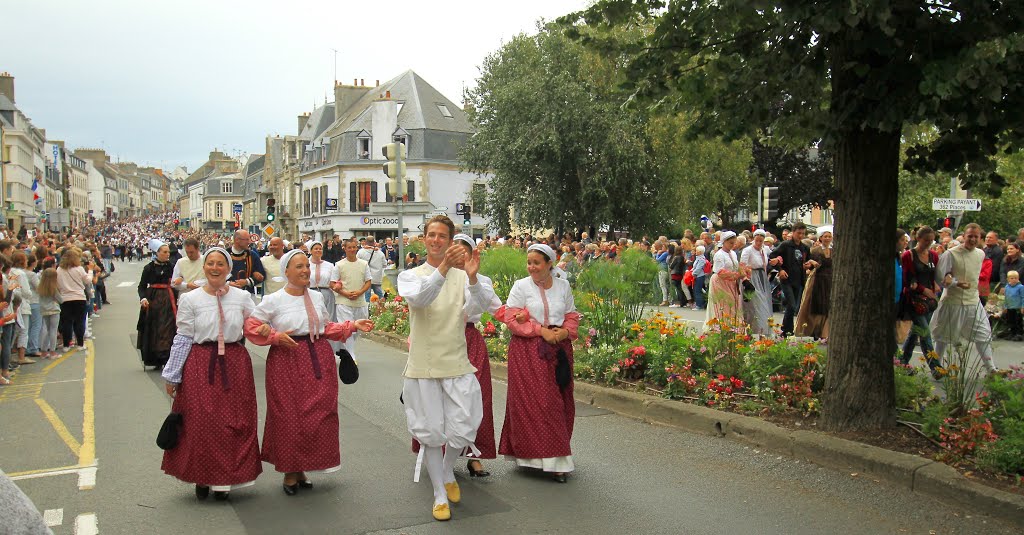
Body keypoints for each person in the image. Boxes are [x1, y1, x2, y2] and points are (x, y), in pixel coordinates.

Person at [243, 249, 372, 495]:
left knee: (318, 414)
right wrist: (275, 336)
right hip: (286, 359)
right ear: (286, 272)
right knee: (288, 415)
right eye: (299, 266)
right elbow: (251, 326)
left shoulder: (316, 297)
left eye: (306, 266)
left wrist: (351, 325)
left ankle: (302, 466)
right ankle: (291, 471)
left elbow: (325, 327)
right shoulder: (274, 300)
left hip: (318, 358)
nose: (305, 270)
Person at [397, 215, 489, 522]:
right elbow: (422, 298)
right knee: (431, 433)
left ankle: (448, 470)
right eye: (431, 235)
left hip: (456, 363)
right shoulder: (410, 275)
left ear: (450, 241)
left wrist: (473, 279)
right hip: (423, 366)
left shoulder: (465, 276)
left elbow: (479, 309)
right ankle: (439, 492)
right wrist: (446, 267)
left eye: (442, 236)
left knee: (463, 429)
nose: (436, 240)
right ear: (424, 239)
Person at [161, 248, 262, 501]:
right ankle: (203, 476)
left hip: (235, 363)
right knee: (200, 423)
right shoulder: (190, 299)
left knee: (233, 423)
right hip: (200, 363)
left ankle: (225, 479)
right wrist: (173, 375)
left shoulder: (241, 297)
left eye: (220, 264)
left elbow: (255, 325)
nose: (215, 268)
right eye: (210, 263)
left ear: (228, 269)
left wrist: (270, 330)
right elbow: (183, 337)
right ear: (204, 267)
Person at [498, 243, 580, 484]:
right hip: (528, 349)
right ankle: (546, 460)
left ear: (549, 264)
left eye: (537, 263)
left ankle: (554, 458)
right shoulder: (521, 286)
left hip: (559, 348)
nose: (531, 267)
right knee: (538, 402)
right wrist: (539, 330)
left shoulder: (563, 286)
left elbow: (571, 315)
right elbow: (511, 318)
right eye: (529, 262)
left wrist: (564, 333)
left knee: (560, 400)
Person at [929, 223, 997, 374]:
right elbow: (940, 277)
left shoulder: (980, 254)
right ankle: (936, 367)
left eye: (976, 237)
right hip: (953, 301)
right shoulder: (951, 253)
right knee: (943, 336)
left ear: (980, 238)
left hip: (973, 301)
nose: (972, 239)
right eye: (970, 236)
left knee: (983, 334)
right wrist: (955, 283)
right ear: (964, 236)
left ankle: (992, 369)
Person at [899, 227, 941, 372]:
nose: (928, 243)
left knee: (916, 331)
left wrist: (935, 288)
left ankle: (902, 360)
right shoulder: (908, 256)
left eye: (931, 241)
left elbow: (935, 275)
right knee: (925, 333)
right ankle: (935, 367)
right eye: (926, 240)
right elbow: (906, 279)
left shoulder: (933, 256)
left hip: (929, 300)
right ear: (918, 238)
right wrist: (922, 289)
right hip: (914, 299)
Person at [138, 244, 178, 369]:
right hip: (153, 299)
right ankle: (155, 359)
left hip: (168, 299)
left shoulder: (172, 267)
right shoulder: (148, 268)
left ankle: (167, 358)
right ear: (157, 253)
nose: (167, 254)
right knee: (154, 327)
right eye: (165, 252)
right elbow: (142, 286)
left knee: (168, 328)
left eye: (168, 252)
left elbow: (177, 281)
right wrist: (143, 298)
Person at [331, 239, 371, 361]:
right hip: (344, 302)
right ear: (345, 248)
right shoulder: (339, 265)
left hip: (360, 302)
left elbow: (368, 281)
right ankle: (351, 357)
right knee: (347, 328)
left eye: (354, 247)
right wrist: (345, 293)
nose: (352, 250)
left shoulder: (364, 264)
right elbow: (332, 283)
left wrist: (359, 292)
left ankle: (346, 348)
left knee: (357, 330)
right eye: (350, 247)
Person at [769, 223, 813, 336]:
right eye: (798, 233)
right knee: (792, 305)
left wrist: (808, 265)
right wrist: (780, 269)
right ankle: (787, 330)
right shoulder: (785, 245)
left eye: (803, 233)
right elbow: (772, 257)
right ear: (793, 233)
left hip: (799, 279)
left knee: (792, 306)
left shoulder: (805, 248)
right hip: (787, 279)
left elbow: (808, 262)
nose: (800, 236)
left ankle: (786, 330)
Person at [795, 229, 831, 339]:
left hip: (830, 279)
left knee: (828, 305)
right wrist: (810, 264)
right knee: (817, 303)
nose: (827, 238)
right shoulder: (814, 251)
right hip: (817, 279)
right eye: (825, 236)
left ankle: (825, 332)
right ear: (820, 238)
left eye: (829, 236)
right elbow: (807, 265)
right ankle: (815, 330)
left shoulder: (834, 251)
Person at [705, 232, 745, 330]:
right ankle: (721, 328)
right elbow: (720, 272)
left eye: (733, 243)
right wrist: (736, 275)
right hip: (720, 282)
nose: (732, 245)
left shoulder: (733, 253)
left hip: (731, 282)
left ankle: (732, 328)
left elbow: (736, 266)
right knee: (723, 305)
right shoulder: (719, 254)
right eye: (730, 243)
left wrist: (742, 272)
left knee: (733, 305)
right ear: (724, 242)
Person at [56, 248, 92, 353]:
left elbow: (58, 284)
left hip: (65, 298)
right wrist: (90, 270)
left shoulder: (59, 269)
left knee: (67, 322)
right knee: (79, 321)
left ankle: (66, 344)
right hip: (79, 297)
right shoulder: (79, 269)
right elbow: (87, 281)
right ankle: (80, 343)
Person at [741, 229, 776, 336]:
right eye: (757, 240)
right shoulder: (748, 250)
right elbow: (742, 266)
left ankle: (764, 330)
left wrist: (777, 260)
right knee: (753, 305)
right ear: (753, 239)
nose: (759, 243)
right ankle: (754, 330)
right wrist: (745, 280)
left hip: (762, 278)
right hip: (751, 277)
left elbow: (771, 259)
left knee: (764, 303)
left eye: (761, 241)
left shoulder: (764, 250)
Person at [227, 230, 266, 300]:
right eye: (247, 239)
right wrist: (228, 284)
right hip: (227, 295)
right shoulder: (224, 255)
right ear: (237, 240)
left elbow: (262, 275)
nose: (249, 242)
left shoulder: (252, 255)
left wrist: (247, 282)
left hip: (248, 296)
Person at [36, 267, 62, 359]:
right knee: (53, 330)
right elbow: (61, 300)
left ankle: (44, 351)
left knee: (47, 330)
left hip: (44, 310)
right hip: (54, 309)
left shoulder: (40, 287)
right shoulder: (53, 288)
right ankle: (52, 352)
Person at [357, 237, 386, 302]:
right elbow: (385, 264)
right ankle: (382, 308)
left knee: (366, 296)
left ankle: (367, 309)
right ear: (374, 242)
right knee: (379, 296)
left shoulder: (361, 252)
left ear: (365, 242)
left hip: (365, 277)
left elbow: (356, 263)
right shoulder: (380, 253)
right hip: (376, 277)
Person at [1002, 271, 1023, 341]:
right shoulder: (1007, 287)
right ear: (1008, 279)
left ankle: (1019, 334)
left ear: (1018, 278)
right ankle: (1012, 333)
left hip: (1017, 307)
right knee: (1010, 321)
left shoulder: (1021, 287)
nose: (1014, 279)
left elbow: (1023, 297)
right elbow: (1006, 297)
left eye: (1016, 278)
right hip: (1009, 307)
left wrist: (1022, 307)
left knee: (1018, 321)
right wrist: (1005, 306)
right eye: (1012, 278)